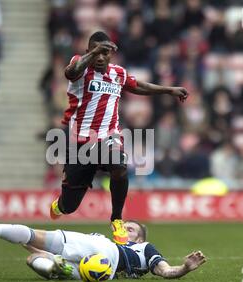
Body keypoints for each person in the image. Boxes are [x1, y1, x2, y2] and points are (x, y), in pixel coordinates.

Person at [50, 31, 189, 245]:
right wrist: (95, 51)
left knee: (120, 166)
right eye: (96, 52)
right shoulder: (80, 66)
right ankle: (60, 205)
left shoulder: (118, 73)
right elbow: (70, 72)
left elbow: (138, 86)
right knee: (69, 207)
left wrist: (169, 90)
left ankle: (116, 219)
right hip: (79, 142)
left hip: (108, 136)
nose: (100, 57)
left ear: (111, 55)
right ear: (88, 52)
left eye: (105, 53)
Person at [0, 209, 206, 281]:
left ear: (139, 238)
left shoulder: (144, 249)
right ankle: (56, 270)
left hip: (107, 255)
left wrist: (184, 268)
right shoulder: (101, 239)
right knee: (33, 257)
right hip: (96, 273)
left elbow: (164, 270)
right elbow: (35, 248)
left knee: (35, 237)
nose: (124, 229)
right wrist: (25, 242)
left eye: (130, 229)